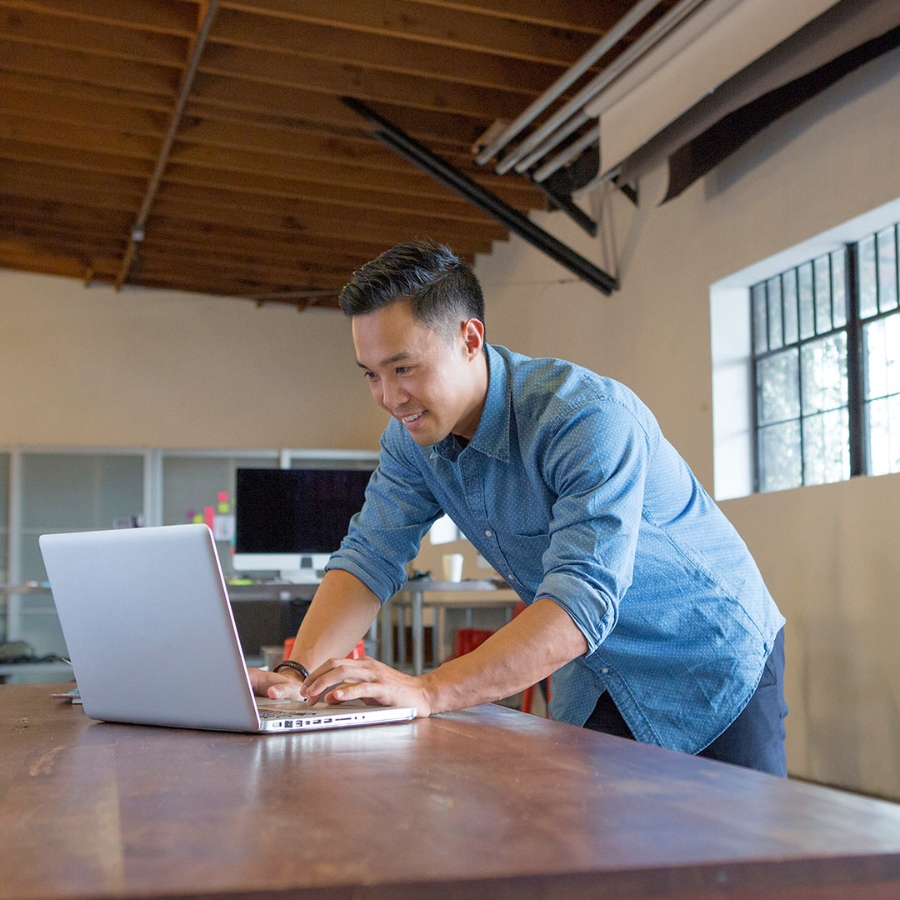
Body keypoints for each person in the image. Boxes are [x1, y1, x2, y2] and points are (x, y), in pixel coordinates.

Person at [250, 239, 788, 775]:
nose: (390, 398)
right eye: (371, 374)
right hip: (595, 671)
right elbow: (370, 554)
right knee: (577, 845)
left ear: (469, 338)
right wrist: (296, 673)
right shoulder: (410, 441)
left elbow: (582, 599)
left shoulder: (583, 418)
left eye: (404, 368)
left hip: (707, 660)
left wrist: (429, 690)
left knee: (745, 853)